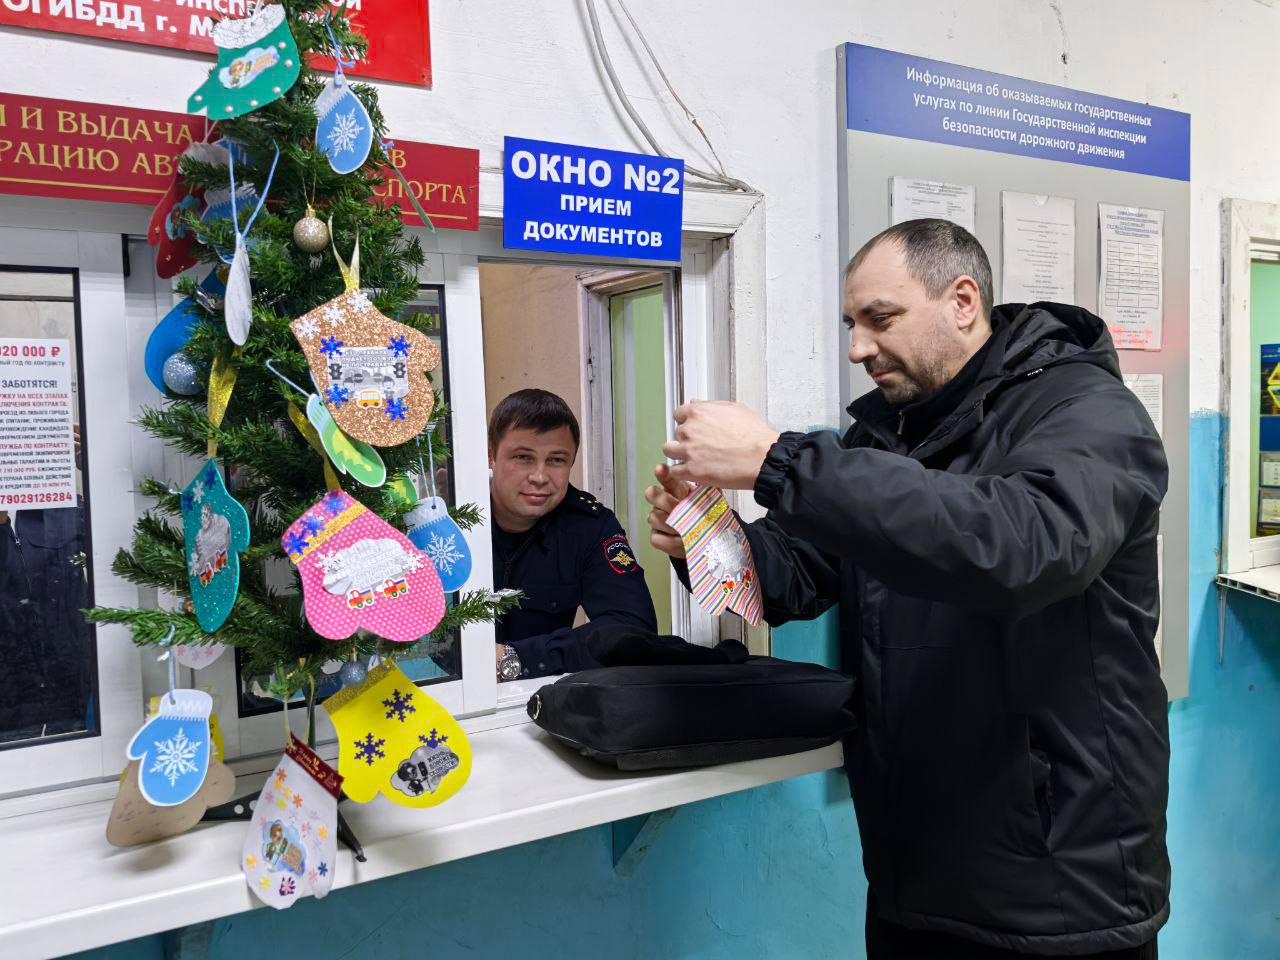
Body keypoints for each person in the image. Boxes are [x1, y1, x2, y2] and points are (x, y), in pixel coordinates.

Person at [645, 219, 1169, 959]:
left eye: (880, 318)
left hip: (1059, 889)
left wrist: (777, 461)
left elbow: (1022, 548)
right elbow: (794, 578)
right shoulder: (886, 437)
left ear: (963, 301)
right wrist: (708, 538)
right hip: (914, 875)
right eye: (851, 325)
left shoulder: (1088, 413)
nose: (858, 348)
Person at [489, 388, 656, 681]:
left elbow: (632, 628)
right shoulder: (453, 518)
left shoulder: (589, 526)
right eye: (523, 457)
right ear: (491, 455)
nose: (539, 477)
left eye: (556, 460)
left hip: (539, 693)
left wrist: (516, 658)